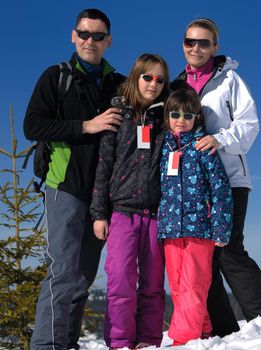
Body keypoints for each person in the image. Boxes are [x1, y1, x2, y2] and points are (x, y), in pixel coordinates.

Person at [170, 18, 261, 336]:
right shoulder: (176, 86)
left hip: (229, 177)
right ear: (183, 45)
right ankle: (222, 328)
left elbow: (250, 124)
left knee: (228, 247)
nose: (196, 48)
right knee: (204, 255)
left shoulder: (229, 81)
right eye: (190, 42)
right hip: (191, 184)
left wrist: (220, 139)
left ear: (215, 47)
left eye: (204, 43)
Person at [24, 9, 125, 350]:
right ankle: (45, 345)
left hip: (102, 194)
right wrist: (87, 125)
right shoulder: (56, 77)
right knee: (63, 272)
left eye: (98, 36)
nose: (89, 41)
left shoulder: (117, 83)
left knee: (82, 277)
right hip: (64, 186)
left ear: (108, 41)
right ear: (73, 35)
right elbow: (32, 126)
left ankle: (66, 343)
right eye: (84, 34)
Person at [89, 53, 169, 349]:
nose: (153, 84)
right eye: (147, 77)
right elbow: (103, 164)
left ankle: (148, 341)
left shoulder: (166, 117)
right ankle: (120, 343)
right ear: (135, 77)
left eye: (160, 79)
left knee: (151, 285)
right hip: (121, 211)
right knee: (120, 280)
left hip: (156, 213)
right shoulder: (118, 113)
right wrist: (99, 213)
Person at [158, 88, 233, 346]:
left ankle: (182, 340)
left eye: (188, 115)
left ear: (196, 119)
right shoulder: (164, 149)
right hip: (170, 229)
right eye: (175, 114)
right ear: (167, 116)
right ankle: (203, 332)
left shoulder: (203, 148)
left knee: (194, 285)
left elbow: (220, 189)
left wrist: (221, 228)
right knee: (179, 287)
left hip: (199, 229)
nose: (181, 119)